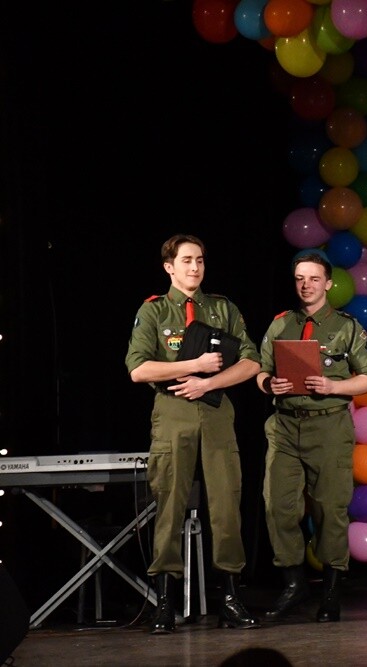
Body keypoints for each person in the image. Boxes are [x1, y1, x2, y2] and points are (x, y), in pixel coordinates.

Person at [125, 233, 262, 634]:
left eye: (200, 260)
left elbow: (252, 361)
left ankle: (231, 598)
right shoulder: (154, 311)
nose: (195, 268)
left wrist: (210, 381)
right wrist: (193, 367)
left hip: (215, 412)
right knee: (170, 504)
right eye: (186, 261)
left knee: (225, 504)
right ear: (169, 266)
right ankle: (165, 601)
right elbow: (138, 369)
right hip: (172, 414)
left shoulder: (222, 307)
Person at [256, 252, 367, 623]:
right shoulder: (281, 324)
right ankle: (294, 584)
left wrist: (332, 385)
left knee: (329, 508)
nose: (305, 285)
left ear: (327, 283)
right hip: (284, 425)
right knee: (277, 505)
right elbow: (259, 370)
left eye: (313, 278)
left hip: (327, 426)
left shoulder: (345, 327)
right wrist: (268, 383)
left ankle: (330, 589)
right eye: (299, 278)